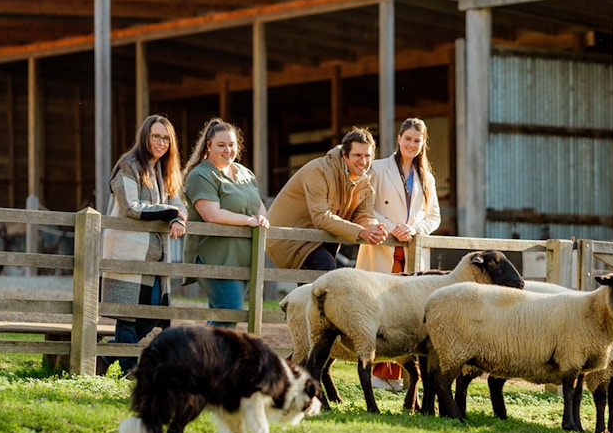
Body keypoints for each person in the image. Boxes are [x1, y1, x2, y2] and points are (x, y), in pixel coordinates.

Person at [355, 118, 442, 391]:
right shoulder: (378, 168)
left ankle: (396, 374)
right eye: (407, 139)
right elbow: (365, 206)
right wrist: (394, 229)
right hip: (383, 246)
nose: (411, 145)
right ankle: (376, 372)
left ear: (422, 143)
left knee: (407, 314)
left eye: (417, 141)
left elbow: (434, 217)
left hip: (411, 250)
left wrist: (414, 228)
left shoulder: (426, 177)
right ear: (398, 139)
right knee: (379, 309)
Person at [98, 115, 187, 376]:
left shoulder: (165, 169)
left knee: (154, 312)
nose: (161, 142)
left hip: (156, 257)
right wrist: (171, 213)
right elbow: (131, 207)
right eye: (156, 137)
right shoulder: (129, 165)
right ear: (145, 137)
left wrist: (177, 216)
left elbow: (179, 205)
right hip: (128, 252)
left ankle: (105, 355)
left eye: (166, 138)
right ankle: (129, 369)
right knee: (128, 313)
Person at [182, 118, 269, 328]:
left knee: (222, 316)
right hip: (214, 257)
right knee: (231, 312)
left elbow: (258, 204)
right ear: (208, 146)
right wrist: (249, 222)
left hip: (243, 256)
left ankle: (207, 359)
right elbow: (212, 214)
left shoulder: (245, 173)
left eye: (231, 144)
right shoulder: (200, 175)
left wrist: (262, 218)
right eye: (221, 145)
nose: (227, 150)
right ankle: (202, 356)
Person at [265, 127, 386, 273]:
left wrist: (373, 228)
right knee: (326, 268)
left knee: (315, 288)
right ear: (345, 155)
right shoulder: (319, 171)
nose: (363, 161)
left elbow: (364, 214)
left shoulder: (366, 179)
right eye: (357, 155)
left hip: (322, 238)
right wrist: (361, 232)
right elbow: (321, 217)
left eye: (367, 156)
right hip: (290, 238)